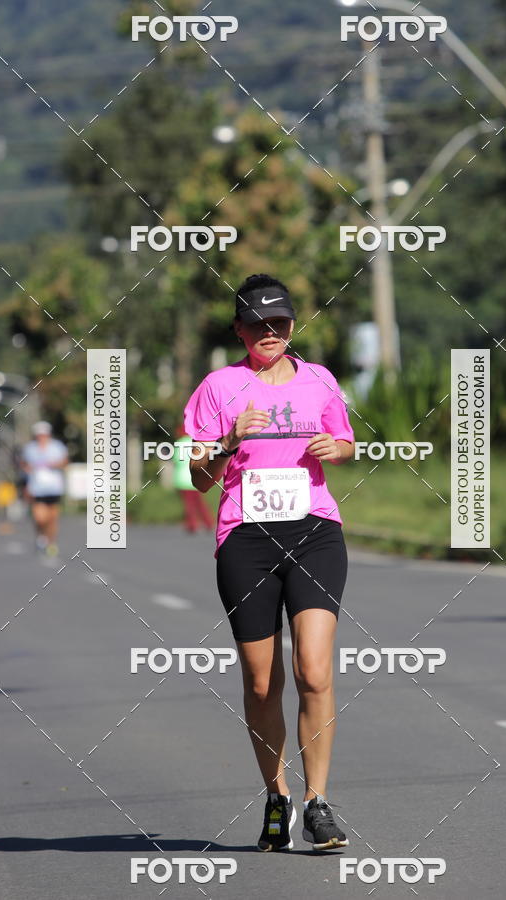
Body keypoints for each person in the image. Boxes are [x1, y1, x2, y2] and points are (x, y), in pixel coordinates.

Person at [185, 273, 355, 853]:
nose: (269, 332)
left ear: (291, 325)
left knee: (314, 670)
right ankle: (277, 795)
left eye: (278, 322)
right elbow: (199, 479)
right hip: (246, 541)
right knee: (262, 683)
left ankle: (319, 804)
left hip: (315, 532)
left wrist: (340, 449)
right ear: (239, 329)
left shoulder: (319, 381)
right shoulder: (218, 388)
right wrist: (230, 440)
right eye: (257, 324)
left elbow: (345, 441)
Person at [21, 421, 68, 556]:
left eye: (44, 435)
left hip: (54, 488)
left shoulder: (57, 447)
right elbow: (23, 465)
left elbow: (65, 462)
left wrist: (54, 464)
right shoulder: (30, 449)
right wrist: (26, 474)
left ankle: (51, 543)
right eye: (39, 435)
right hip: (37, 488)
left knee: (52, 518)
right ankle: (41, 536)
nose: (42, 437)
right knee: (40, 518)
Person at [173, 428, 214, 532]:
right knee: (200, 503)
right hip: (195, 478)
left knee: (189, 505)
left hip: (182, 480)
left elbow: (176, 460)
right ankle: (208, 522)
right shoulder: (195, 443)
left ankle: (192, 524)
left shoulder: (179, 443)